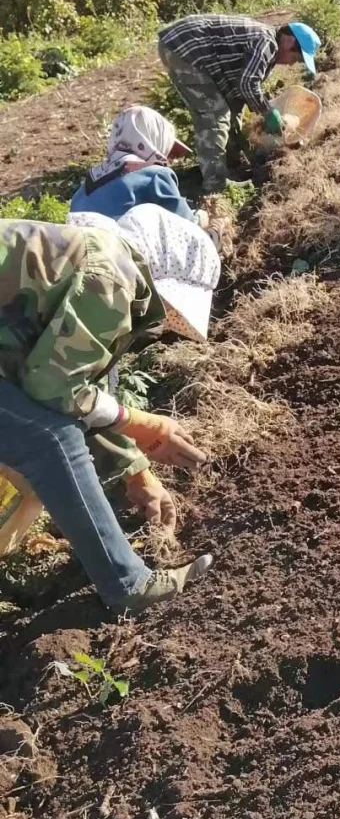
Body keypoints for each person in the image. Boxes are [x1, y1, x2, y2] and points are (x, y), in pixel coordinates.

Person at [0, 207, 218, 614]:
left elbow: (68, 387)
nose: (168, 326)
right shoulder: (114, 272)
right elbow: (53, 390)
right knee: (49, 439)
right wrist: (143, 425)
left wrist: (135, 471)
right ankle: (128, 584)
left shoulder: (81, 258)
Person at [157, 14, 321, 195]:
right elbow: (247, 84)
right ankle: (215, 186)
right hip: (184, 48)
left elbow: (238, 92)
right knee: (214, 114)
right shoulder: (267, 43)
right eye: (296, 58)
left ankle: (233, 164)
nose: (292, 64)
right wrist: (268, 112)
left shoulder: (269, 49)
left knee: (231, 108)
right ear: (289, 41)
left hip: (194, 52)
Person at [69, 107, 235, 258]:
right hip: (130, 263)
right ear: (154, 139)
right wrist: (203, 217)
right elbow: (187, 226)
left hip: (89, 263)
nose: (169, 157)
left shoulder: (83, 189)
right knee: (210, 237)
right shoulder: (154, 175)